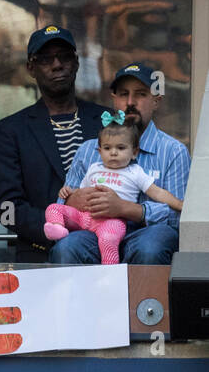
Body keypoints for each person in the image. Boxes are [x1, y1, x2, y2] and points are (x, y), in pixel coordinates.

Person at [48, 63, 189, 266]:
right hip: (95, 230)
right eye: (123, 94)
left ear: (156, 101)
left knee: (151, 246)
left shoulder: (173, 151)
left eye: (140, 94)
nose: (130, 102)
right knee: (67, 247)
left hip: (146, 233)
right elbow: (62, 206)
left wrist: (127, 209)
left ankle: (147, 300)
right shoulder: (89, 150)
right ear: (114, 100)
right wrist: (74, 199)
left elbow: (178, 220)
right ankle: (72, 298)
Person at [0, 26, 107, 261]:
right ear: (31, 68)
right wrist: (60, 219)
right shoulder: (11, 130)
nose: (57, 65)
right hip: (41, 257)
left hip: (108, 249)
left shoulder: (108, 121)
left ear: (75, 63)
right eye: (46, 59)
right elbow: (9, 210)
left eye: (64, 56)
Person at [45, 115, 183, 264]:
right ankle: (57, 229)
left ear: (134, 152)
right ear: (99, 151)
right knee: (53, 208)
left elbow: (158, 192)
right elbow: (80, 192)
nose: (113, 152)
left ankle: (110, 272)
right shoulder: (93, 168)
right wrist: (69, 194)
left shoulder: (134, 172)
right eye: (107, 148)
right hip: (86, 218)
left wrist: (181, 205)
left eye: (121, 148)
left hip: (113, 221)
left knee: (107, 239)